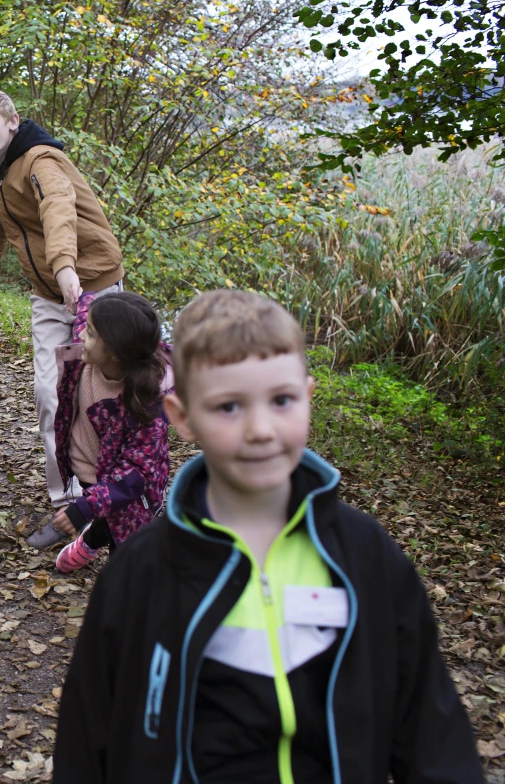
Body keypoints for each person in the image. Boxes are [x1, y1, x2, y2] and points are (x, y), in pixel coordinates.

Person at [53, 289, 483, 783]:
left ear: (307, 396)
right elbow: (89, 738)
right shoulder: (142, 571)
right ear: (182, 417)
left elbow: (432, 733)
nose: (260, 429)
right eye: (229, 406)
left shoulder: (365, 558)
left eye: (281, 400)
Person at [0, 88, 124, 513]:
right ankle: (66, 498)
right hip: (49, 295)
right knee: (49, 393)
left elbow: (57, 207)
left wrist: (66, 266)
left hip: (94, 289)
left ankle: (118, 487)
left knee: (101, 392)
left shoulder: (41, 161)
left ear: (12, 122)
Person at [32, 291, 173, 571]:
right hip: (89, 475)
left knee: (124, 552)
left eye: (92, 333)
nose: (81, 333)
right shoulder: (90, 352)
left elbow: (135, 473)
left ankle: (100, 557)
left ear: (115, 350)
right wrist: (75, 288)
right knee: (104, 520)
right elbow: (86, 305)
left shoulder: (146, 406)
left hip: (132, 494)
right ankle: (92, 538)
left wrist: (83, 508)